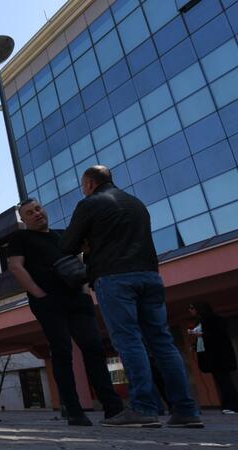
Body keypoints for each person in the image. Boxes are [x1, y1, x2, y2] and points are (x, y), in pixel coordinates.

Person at [61, 165, 202, 428]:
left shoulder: (89, 204)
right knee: (162, 341)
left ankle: (144, 408)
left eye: (83, 185)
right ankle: (185, 409)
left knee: (129, 341)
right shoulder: (137, 204)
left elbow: (67, 245)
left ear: (90, 183)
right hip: (149, 275)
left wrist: (87, 244)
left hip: (114, 277)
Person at [7, 199, 125, 426]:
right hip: (48, 302)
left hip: (77, 299)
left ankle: (113, 407)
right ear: (23, 219)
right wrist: (39, 294)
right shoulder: (20, 238)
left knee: (94, 348)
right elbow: (15, 266)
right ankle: (73, 410)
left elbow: (80, 261)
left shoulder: (64, 235)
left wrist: (84, 290)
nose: (36, 214)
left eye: (38, 209)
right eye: (30, 213)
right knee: (62, 352)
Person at [189, 302, 238, 414]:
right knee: (221, 381)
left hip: (219, 356)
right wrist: (195, 345)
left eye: (192, 308)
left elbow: (219, 335)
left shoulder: (214, 319)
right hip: (211, 356)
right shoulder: (201, 321)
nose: (190, 310)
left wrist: (201, 335)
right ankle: (228, 405)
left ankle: (234, 406)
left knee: (225, 381)